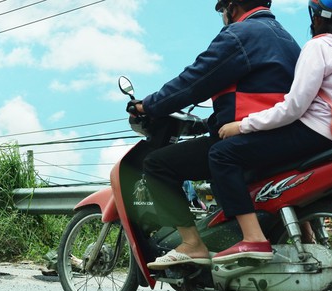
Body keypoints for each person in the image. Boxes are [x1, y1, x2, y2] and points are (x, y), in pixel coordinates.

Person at [129, 0, 302, 270]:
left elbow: (195, 80)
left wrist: (148, 105)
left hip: (249, 136)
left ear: (231, 7)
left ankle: (191, 244)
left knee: (157, 164)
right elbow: (256, 89)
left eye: (221, 9)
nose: (222, 15)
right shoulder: (286, 37)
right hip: (283, 135)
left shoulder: (239, 35)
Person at [211, 0, 332, 263]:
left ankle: (253, 238)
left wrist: (242, 125)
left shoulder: (319, 46)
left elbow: (293, 107)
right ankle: (305, 239)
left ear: (317, 18)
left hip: (312, 132)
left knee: (222, 155)